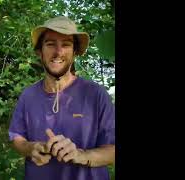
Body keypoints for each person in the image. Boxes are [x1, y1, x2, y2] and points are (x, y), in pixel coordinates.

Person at [8, 16, 115, 180]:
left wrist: (80, 155)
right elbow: (16, 137)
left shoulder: (96, 94)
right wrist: (31, 148)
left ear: (75, 52)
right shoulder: (27, 96)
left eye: (66, 44)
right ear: (39, 51)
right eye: (50, 44)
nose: (58, 52)